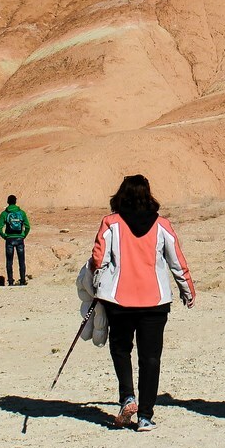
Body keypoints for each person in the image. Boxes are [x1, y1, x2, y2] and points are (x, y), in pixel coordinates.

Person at [89, 175, 195, 432]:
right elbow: (177, 262)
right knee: (150, 358)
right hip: (155, 303)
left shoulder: (110, 223)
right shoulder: (162, 225)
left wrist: (95, 283)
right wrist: (187, 290)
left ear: (121, 194)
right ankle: (145, 416)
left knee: (121, 349)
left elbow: (98, 259)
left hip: (119, 302)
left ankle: (128, 397)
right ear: (148, 195)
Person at [0, 194, 31, 286]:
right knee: (21, 260)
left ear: (7, 202)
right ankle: (22, 280)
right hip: (20, 239)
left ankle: (10, 281)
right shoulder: (22, 213)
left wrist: (5, 236)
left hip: (9, 239)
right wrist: (23, 235)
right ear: (16, 201)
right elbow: (28, 226)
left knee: (9, 261)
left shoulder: (4, 213)